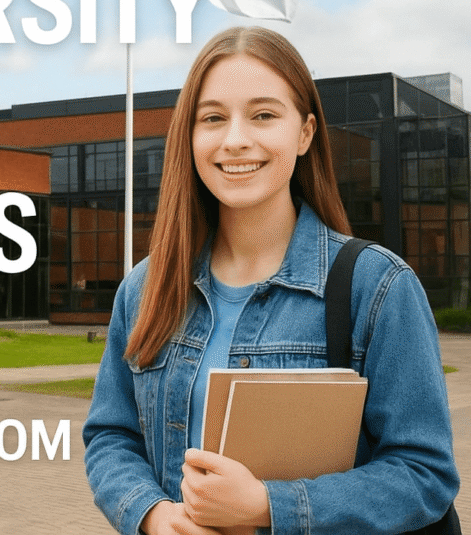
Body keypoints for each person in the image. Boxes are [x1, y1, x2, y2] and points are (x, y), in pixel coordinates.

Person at [82, 27, 458, 534]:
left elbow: (423, 473)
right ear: (190, 136)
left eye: (263, 115)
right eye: (213, 118)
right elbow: (111, 435)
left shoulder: (378, 287)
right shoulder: (145, 289)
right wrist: (153, 514)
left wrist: (268, 505)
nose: (236, 139)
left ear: (304, 133)